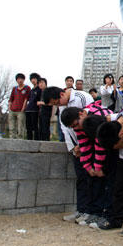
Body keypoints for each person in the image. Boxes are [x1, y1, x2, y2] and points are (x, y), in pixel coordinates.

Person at [43, 86, 94, 223]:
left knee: (92, 180)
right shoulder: (61, 106)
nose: (57, 105)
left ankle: (91, 212)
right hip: (77, 149)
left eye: (57, 102)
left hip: (89, 146)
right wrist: (73, 149)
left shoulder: (81, 97)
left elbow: (91, 120)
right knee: (81, 179)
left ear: (61, 94)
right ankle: (81, 210)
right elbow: (65, 129)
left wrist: (83, 145)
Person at [8, 73, 30, 139]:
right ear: (16, 80)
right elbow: (11, 99)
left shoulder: (27, 88)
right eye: (18, 79)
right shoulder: (14, 88)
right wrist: (9, 108)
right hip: (12, 110)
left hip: (21, 110)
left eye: (21, 79)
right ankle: (12, 138)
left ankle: (20, 139)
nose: (20, 80)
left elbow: (26, 99)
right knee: (11, 126)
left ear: (23, 80)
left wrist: (23, 108)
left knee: (20, 126)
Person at [25, 73, 42, 141]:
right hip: (28, 109)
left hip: (35, 110)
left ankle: (36, 140)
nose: (33, 80)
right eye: (31, 79)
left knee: (35, 126)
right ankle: (29, 140)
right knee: (28, 127)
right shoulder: (31, 90)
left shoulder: (39, 89)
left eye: (34, 79)